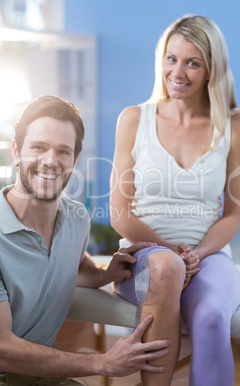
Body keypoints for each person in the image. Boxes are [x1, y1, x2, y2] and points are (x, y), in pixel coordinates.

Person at [110, 15, 240, 386]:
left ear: (210, 69)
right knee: (167, 268)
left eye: (192, 62)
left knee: (210, 317)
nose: (178, 71)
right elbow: (120, 214)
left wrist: (197, 255)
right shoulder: (134, 119)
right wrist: (173, 253)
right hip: (144, 258)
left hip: (208, 257)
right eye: (171, 58)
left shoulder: (234, 125)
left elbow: (233, 214)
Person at [0, 95, 172, 386]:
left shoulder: (76, 218)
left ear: (74, 160)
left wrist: (107, 273)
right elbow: (3, 350)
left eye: (63, 151)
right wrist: (103, 362)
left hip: (40, 376)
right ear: (16, 151)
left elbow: (74, 265)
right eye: (39, 147)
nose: (50, 161)